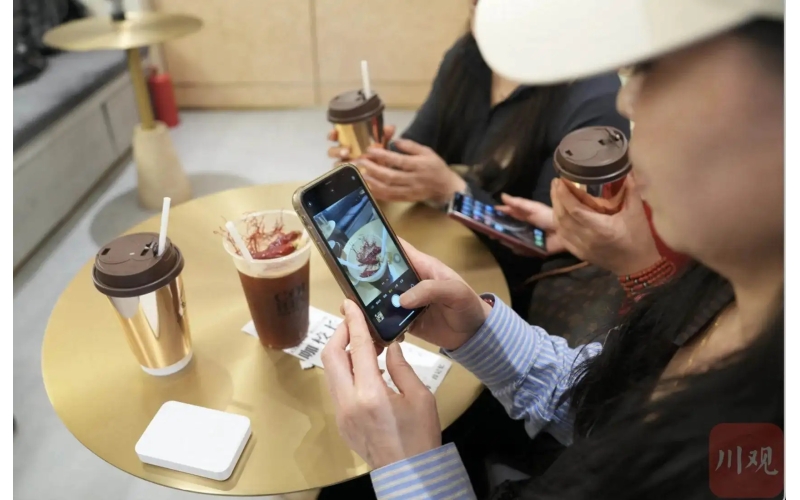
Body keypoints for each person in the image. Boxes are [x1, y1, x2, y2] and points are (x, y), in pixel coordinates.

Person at [320, 0, 784, 498]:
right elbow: (598, 402)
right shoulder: (715, 288)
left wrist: (409, 472)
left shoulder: (754, 455)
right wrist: (478, 329)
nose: (626, 105)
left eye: (653, 63)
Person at [327, 0, 629, 313]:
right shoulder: (468, 56)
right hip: (450, 256)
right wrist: (376, 165)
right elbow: (419, 144)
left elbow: (545, 244)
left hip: (519, 295)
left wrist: (454, 191)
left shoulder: (593, 95)